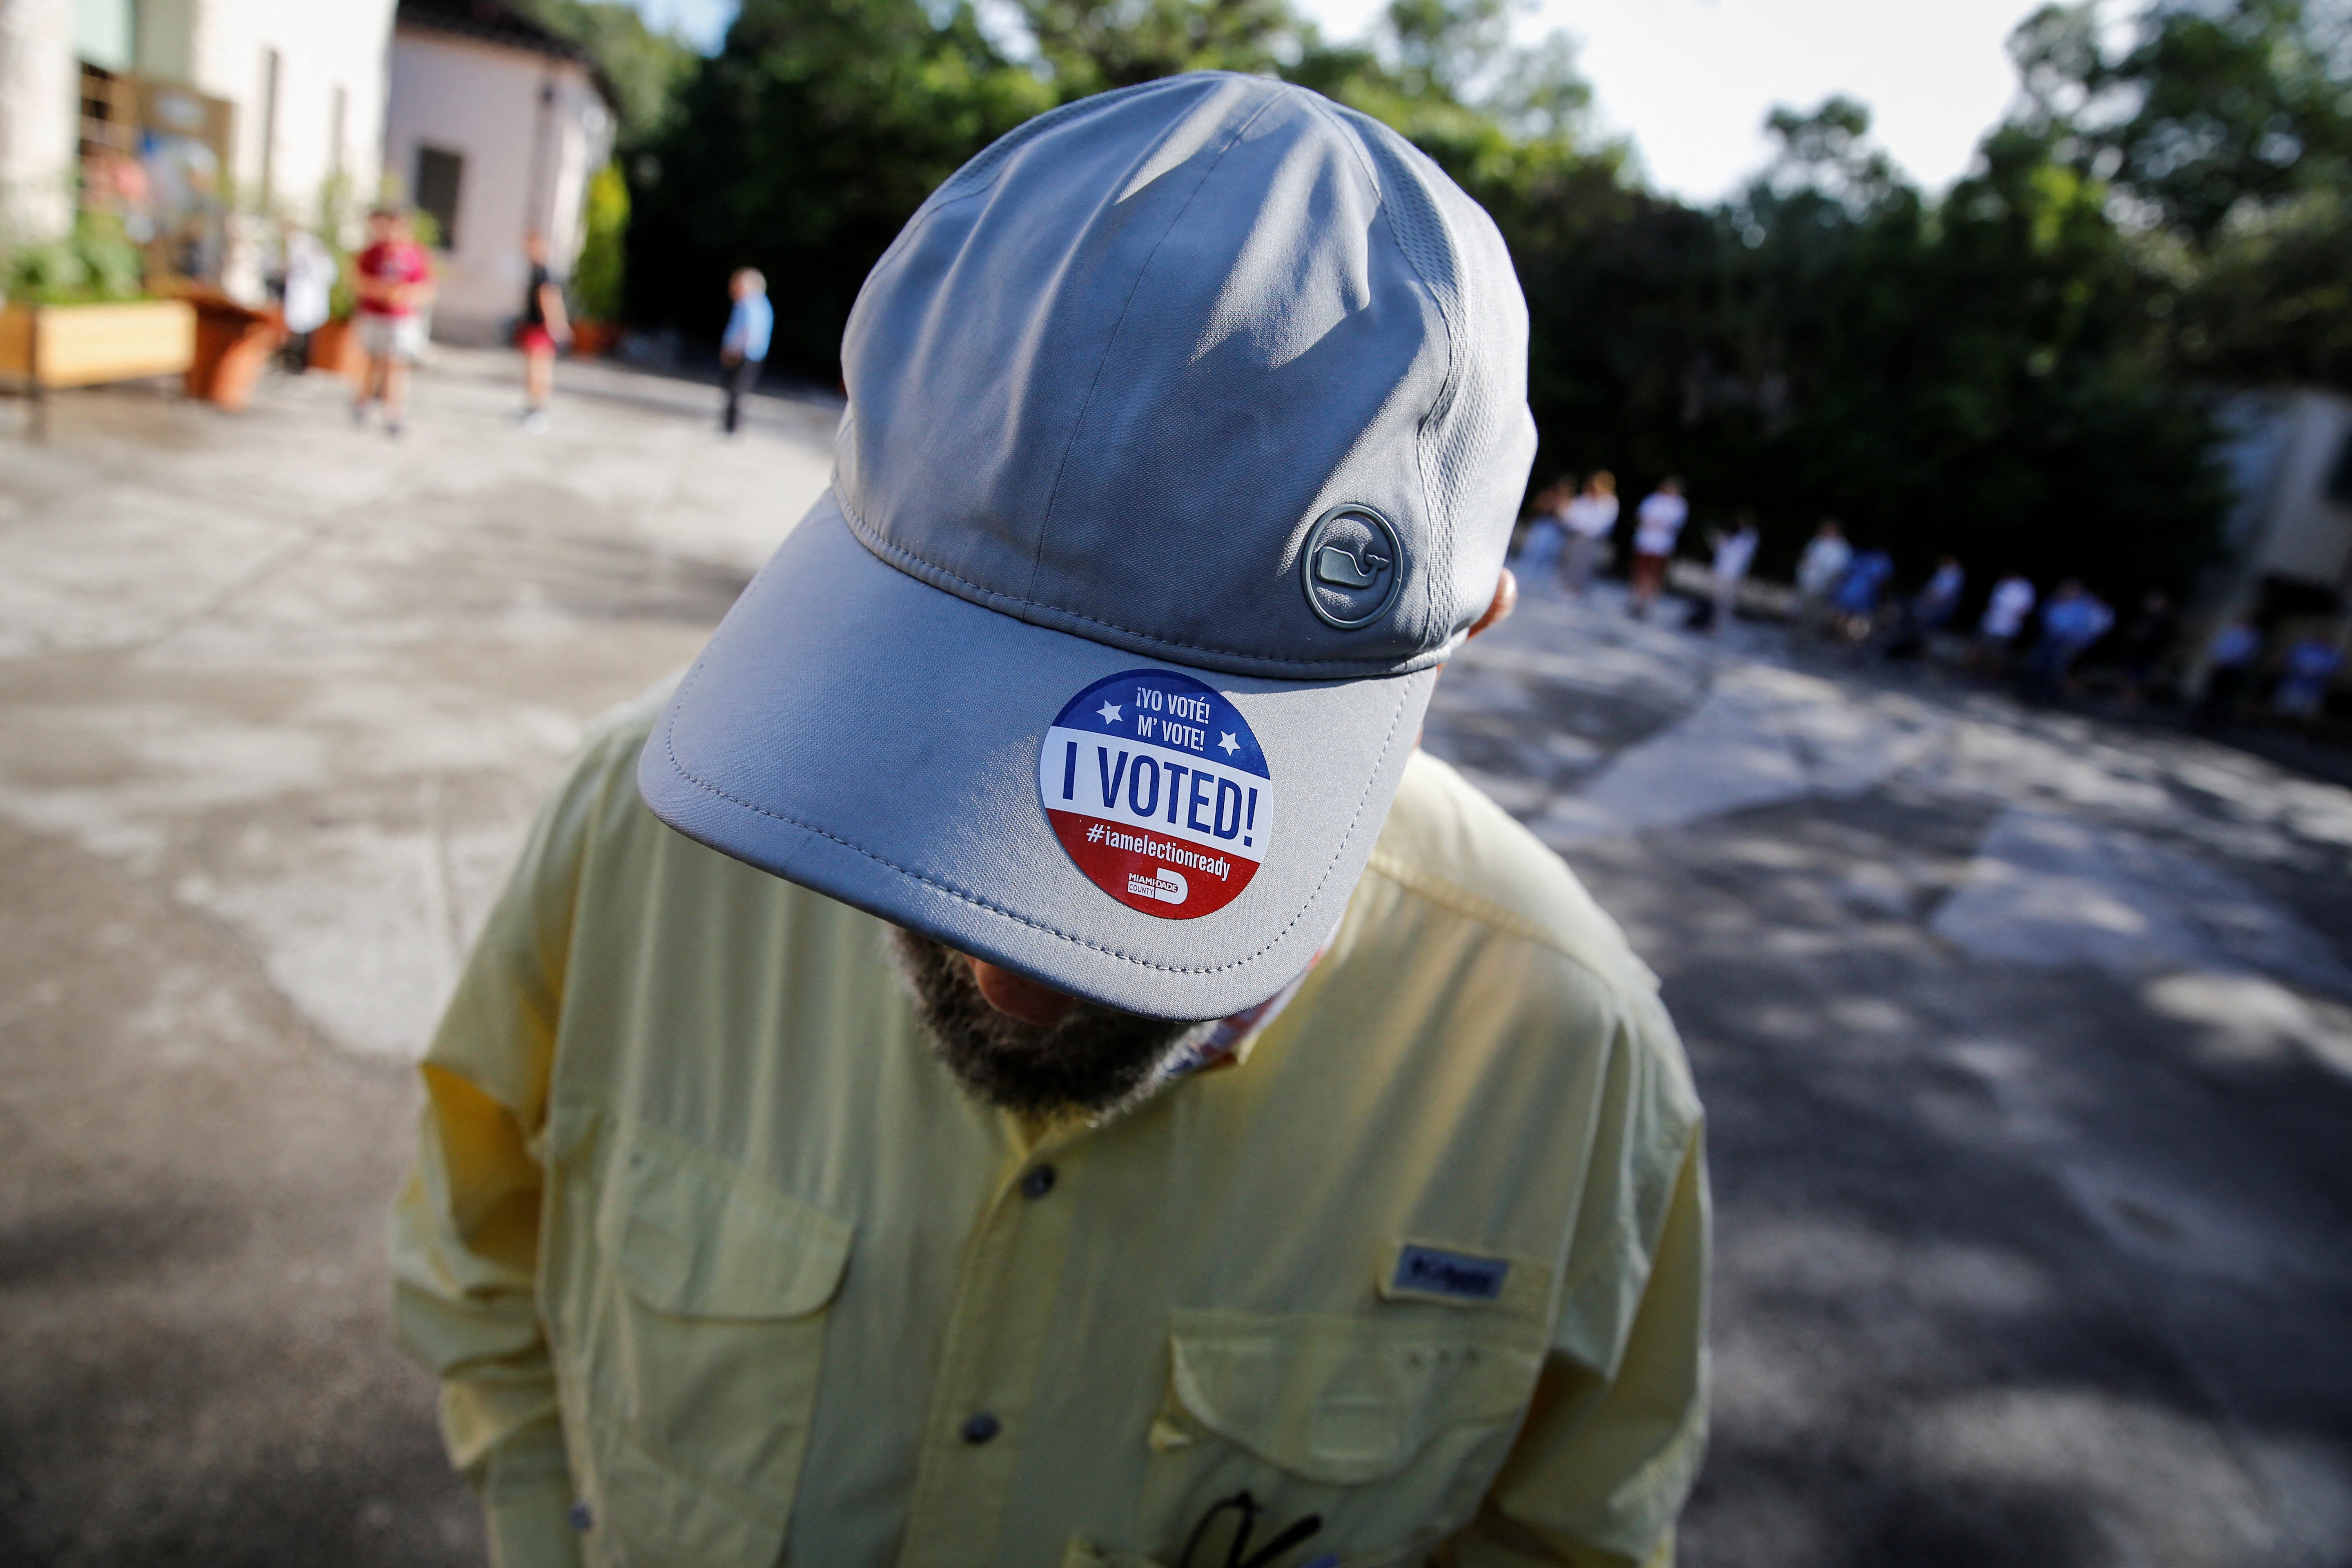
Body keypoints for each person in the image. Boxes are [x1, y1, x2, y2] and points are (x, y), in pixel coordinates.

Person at [392, 76, 1707, 1568]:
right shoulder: (636, 837)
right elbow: (476, 1265)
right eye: (945, 726)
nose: (1010, 973)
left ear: (1467, 622)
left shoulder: (1572, 1063)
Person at [352, 205, 433, 436]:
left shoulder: (414, 254)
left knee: (397, 365)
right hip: (375, 315)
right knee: (373, 360)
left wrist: (406, 296)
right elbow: (359, 282)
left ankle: (394, 413)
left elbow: (427, 287)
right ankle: (364, 402)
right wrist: (383, 292)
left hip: (401, 319)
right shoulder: (372, 252)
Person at [2019, 579, 2112, 703]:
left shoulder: (2081, 607)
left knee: (2056, 669)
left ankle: (2047, 697)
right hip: (2049, 637)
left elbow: (2081, 626)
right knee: (2037, 664)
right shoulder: (2055, 601)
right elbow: (2044, 615)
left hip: (2066, 642)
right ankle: (2026, 693)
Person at [517, 231, 570, 434]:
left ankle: (537, 410)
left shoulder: (543, 273)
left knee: (539, 371)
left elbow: (549, 299)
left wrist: (556, 325)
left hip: (539, 330)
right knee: (535, 370)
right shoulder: (537, 270)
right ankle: (533, 407)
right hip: (534, 328)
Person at [719, 266, 773, 435]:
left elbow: (746, 332)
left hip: (743, 354)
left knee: (735, 390)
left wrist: (733, 350)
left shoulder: (748, 303)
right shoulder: (763, 303)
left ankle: (731, 427)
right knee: (739, 390)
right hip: (754, 354)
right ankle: (731, 426)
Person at [278, 223, 335, 373]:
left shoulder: (309, 251)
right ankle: (294, 361)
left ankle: (302, 363)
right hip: (301, 296)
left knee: (307, 332)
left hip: (308, 297)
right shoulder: (301, 250)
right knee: (298, 329)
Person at [1628, 477, 1686, 618]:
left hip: (1662, 547)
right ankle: (1636, 601)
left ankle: (1647, 604)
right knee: (1639, 572)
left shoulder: (1679, 505)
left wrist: (1657, 523)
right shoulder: (1652, 500)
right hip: (1645, 543)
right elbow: (1643, 518)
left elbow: (1672, 525)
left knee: (1654, 576)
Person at [2196, 617, 2262, 730]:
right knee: (2212, 692)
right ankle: (2204, 717)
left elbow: (2247, 653)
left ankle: (2218, 721)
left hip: (2234, 669)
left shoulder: (2251, 636)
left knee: (2225, 695)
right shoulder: (2231, 632)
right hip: (2221, 666)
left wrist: (2231, 660)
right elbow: (2218, 646)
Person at [1560, 469, 1618, 597]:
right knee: (1572, 562)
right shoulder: (1583, 500)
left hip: (1593, 538)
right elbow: (1571, 517)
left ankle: (1580, 589)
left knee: (1586, 565)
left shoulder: (1609, 503)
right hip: (1578, 535)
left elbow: (1605, 523)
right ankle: (1569, 587)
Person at [1792, 519, 1851, 646]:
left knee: (1816, 617)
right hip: (1808, 584)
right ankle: (1798, 639)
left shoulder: (1841, 549)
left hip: (1824, 589)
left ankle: (1809, 642)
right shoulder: (1817, 543)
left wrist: (1830, 587)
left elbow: (1839, 571)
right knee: (1802, 614)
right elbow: (1805, 559)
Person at [2117, 590, 2176, 707]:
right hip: (2135, 653)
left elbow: (2163, 641)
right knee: (2129, 677)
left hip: (2149, 656)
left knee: (2141, 680)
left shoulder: (2164, 622)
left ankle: (2134, 702)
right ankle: (2125, 700)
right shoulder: (2143, 618)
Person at [2272, 630, 2344, 724]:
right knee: (2283, 715)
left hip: (2315, 692)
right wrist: (2300, 669)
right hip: (2293, 688)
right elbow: (2286, 662)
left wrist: (2316, 673)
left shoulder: (2332, 654)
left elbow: (2335, 671)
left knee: (2305, 720)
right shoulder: (2301, 649)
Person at [1972, 572, 2037, 675]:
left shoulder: (2026, 589)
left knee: (1997, 655)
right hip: (1990, 624)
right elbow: (1991, 601)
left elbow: (2025, 611)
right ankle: (1972, 674)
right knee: (1979, 650)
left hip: (2007, 629)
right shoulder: (2003, 584)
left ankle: (1988, 678)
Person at [1706, 510, 1759, 635]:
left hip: (1734, 574)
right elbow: (1721, 548)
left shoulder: (1750, 536)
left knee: (1726, 603)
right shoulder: (1733, 533)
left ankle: (1720, 627)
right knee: (1716, 599)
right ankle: (1712, 624)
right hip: (1721, 570)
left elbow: (1740, 553)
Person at [1512, 477, 1568, 584]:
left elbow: (1566, 521)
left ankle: (1541, 579)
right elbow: (1534, 510)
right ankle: (1524, 573)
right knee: (1534, 548)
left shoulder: (1566, 503)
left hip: (1556, 531)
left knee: (1550, 554)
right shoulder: (1546, 496)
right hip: (1541, 525)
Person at [1831, 545, 1893, 642]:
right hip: (1861, 595)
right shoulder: (1879, 560)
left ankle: (1844, 639)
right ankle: (1846, 640)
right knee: (1854, 620)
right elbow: (1882, 582)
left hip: (1850, 593)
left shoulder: (1860, 556)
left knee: (1847, 617)